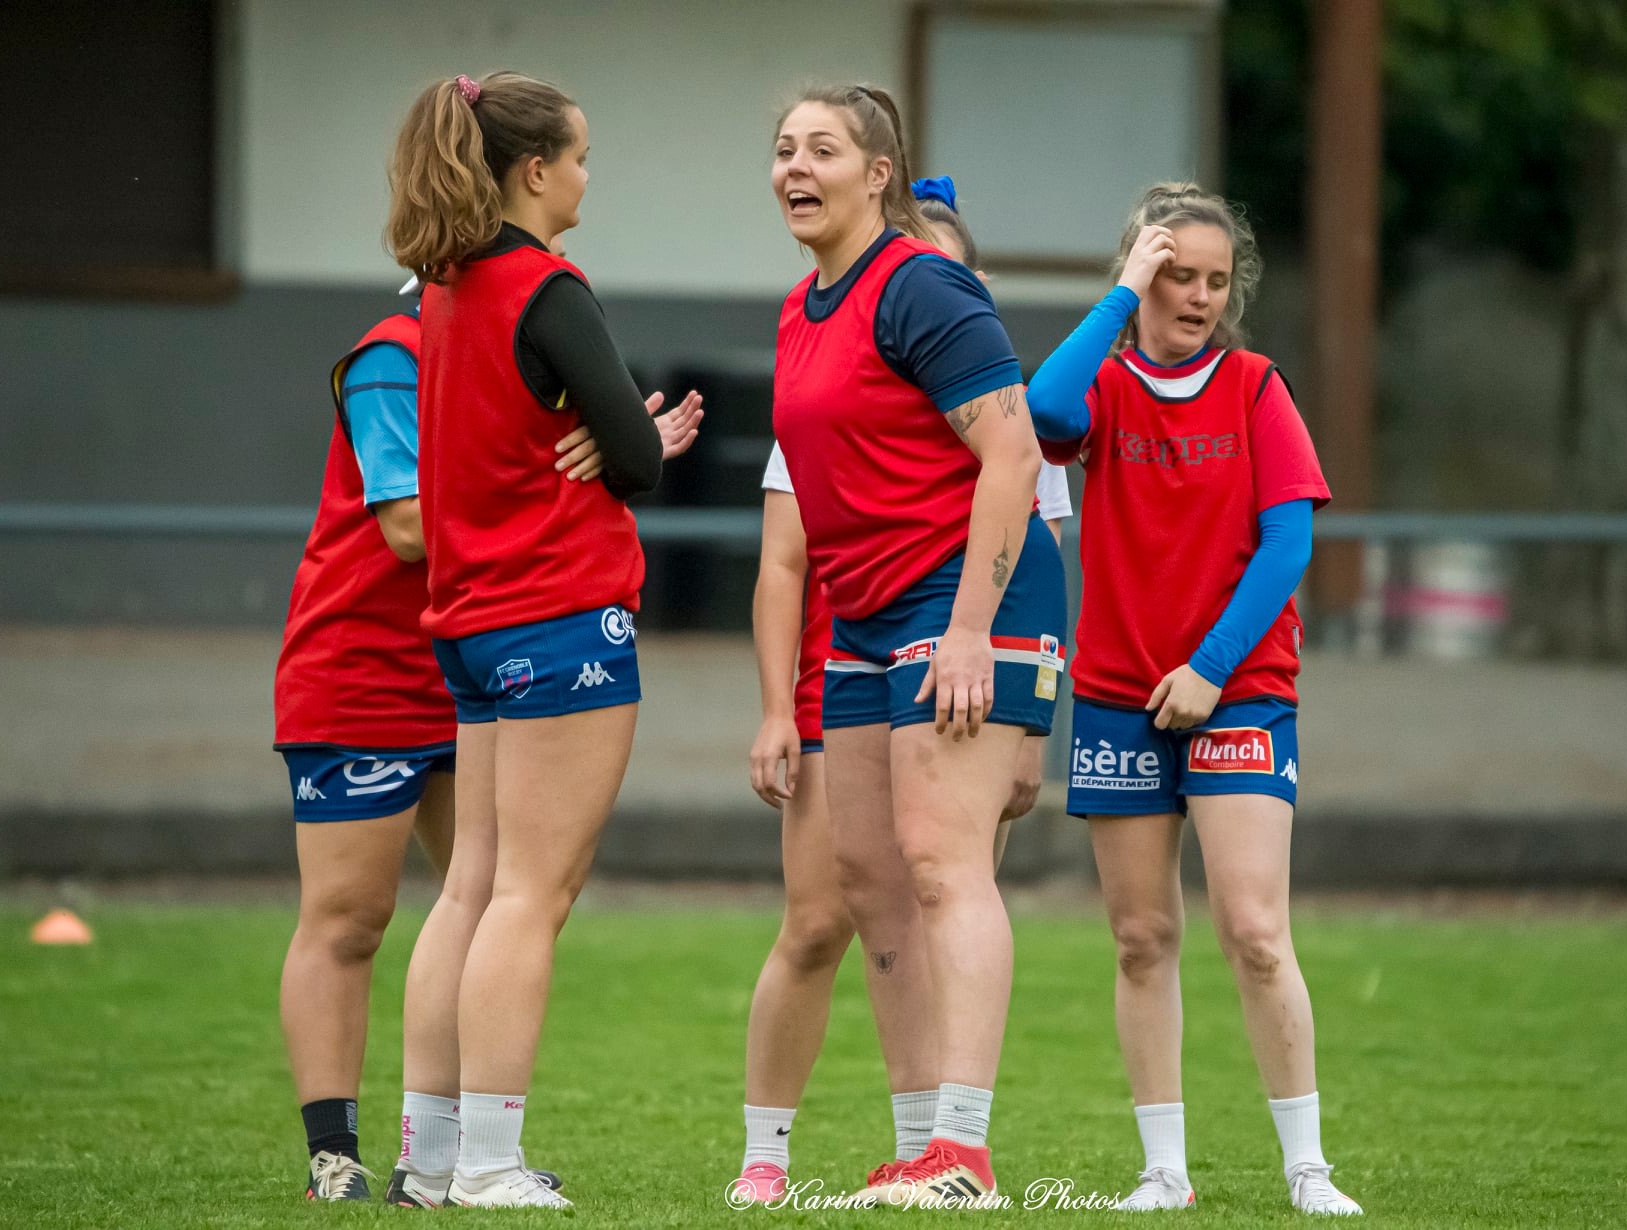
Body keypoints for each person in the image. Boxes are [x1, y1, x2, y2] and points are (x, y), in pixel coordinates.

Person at [381, 70, 702, 1209]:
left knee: (470, 886)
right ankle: (489, 1166)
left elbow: (540, 433)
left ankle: (428, 1159)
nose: (584, 176)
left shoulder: (441, 284)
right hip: (560, 615)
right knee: (530, 896)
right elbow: (640, 459)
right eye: (577, 157)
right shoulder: (548, 287)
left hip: (470, 621)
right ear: (532, 170)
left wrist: (599, 438)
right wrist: (626, 440)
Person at [1025, 182, 1361, 1215]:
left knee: (1255, 929)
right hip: (1122, 694)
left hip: (1238, 691)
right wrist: (1121, 295)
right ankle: (1163, 1170)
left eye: (1218, 280)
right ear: (1141, 273)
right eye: (1180, 274)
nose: (1202, 296)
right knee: (1141, 938)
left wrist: (1212, 668)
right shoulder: (1107, 385)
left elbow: (1289, 543)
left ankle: (1308, 1165)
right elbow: (1044, 411)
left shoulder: (1259, 388)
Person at [733, 182, 1071, 1203]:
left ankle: (963, 1153)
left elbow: (1026, 488)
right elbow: (787, 554)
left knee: (942, 868)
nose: (795, 165)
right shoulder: (813, 315)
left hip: (955, 611)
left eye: (821, 148)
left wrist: (981, 641)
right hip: (869, 622)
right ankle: (922, 1143)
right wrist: (774, 708)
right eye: (784, 148)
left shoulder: (934, 310)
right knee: (872, 882)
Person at [272, 280, 598, 1202]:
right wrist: (560, 470)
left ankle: (452, 1152)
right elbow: (409, 524)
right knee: (349, 917)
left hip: (477, 655)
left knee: (498, 899)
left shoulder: (497, 360)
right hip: (363, 670)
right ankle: (332, 1154)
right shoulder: (391, 357)